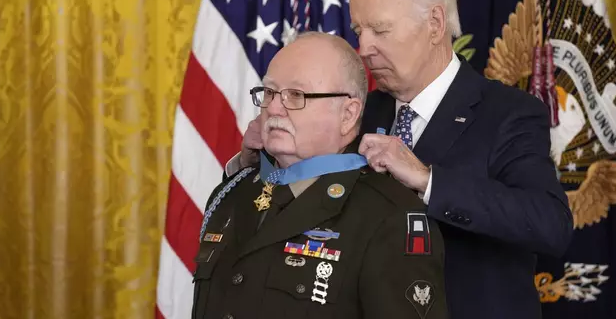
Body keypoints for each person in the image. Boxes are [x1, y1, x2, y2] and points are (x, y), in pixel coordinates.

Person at [227, 0, 574, 319]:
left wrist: (427, 180)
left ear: (435, 24)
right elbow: (294, 201)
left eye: (381, 30)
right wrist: (254, 161)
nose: (364, 49)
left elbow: (551, 225)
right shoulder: (356, 112)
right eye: (360, 31)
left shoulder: (508, 113)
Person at [192, 32, 448, 319]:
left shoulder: (389, 217)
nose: (274, 108)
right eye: (270, 93)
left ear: (348, 114)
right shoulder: (233, 193)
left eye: (295, 96)